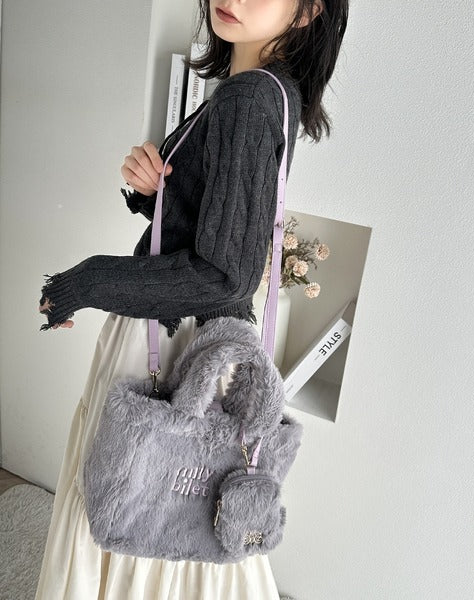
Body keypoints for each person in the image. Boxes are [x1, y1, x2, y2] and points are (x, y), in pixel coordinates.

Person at [35, 0, 349, 598]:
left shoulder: (246, 99)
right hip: (197, 340)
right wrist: (154, 192)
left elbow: (223, 274)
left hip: (174, 342)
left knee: (137, 492)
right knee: (182, 504)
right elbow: (213, 228)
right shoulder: (270, 93)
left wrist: (87, 280)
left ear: (308, 12)